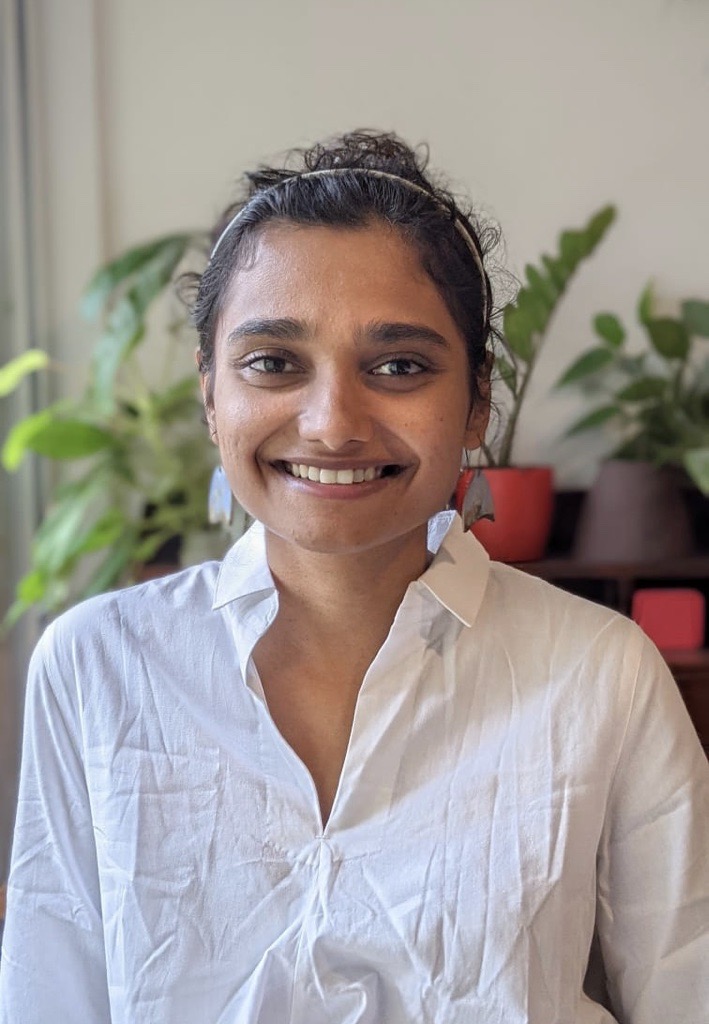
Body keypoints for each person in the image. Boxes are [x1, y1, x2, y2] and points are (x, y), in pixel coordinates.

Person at [1, 130, 707, 1024]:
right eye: (273, 363)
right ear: (210, 393)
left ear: (477, 402)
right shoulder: (98, 665)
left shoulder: (598, 671)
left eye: (398, 366)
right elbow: (51, 993)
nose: (332, 423)